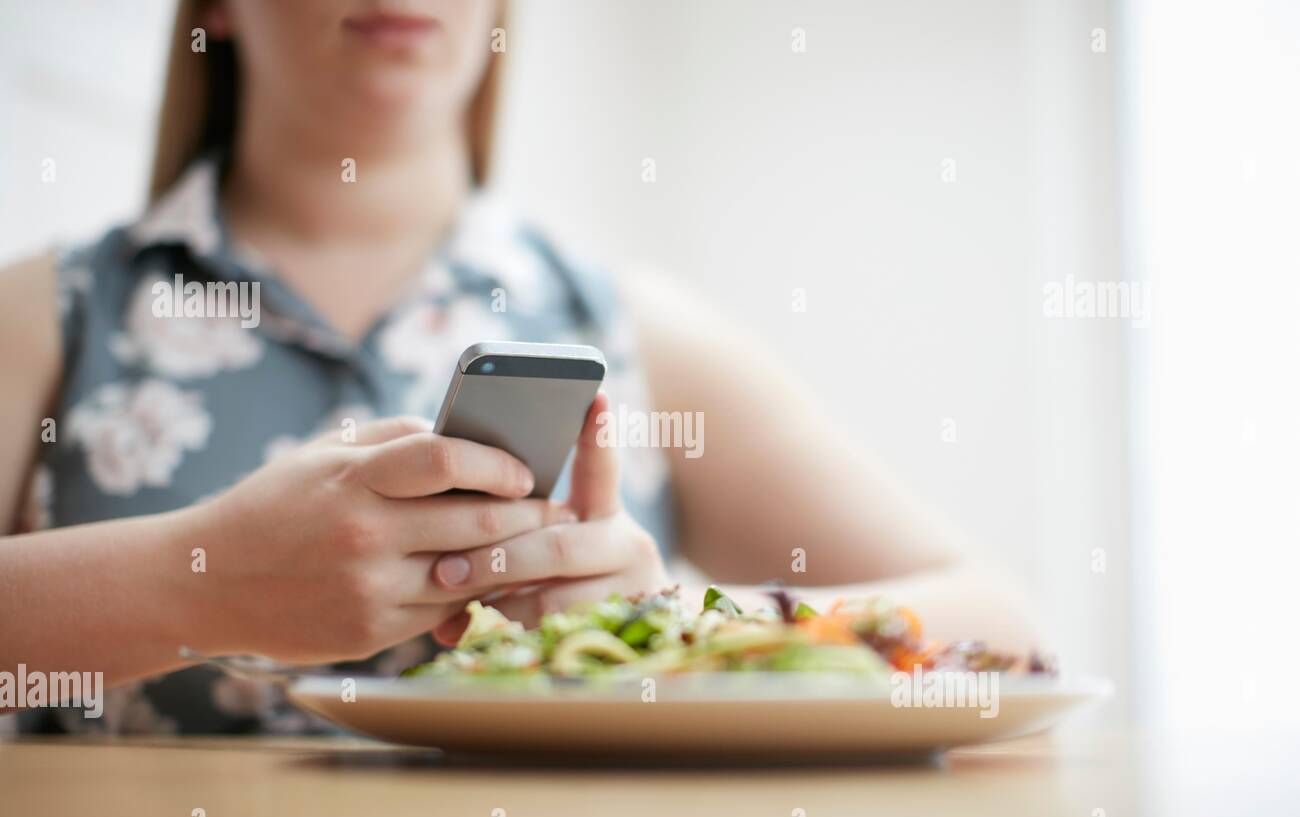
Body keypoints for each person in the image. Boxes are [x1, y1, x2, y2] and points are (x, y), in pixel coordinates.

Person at [0, 0, 1037, 734]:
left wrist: (673, 632)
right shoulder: (49, 314)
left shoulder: (637, 329)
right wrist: (203, 583)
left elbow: (996, 617)